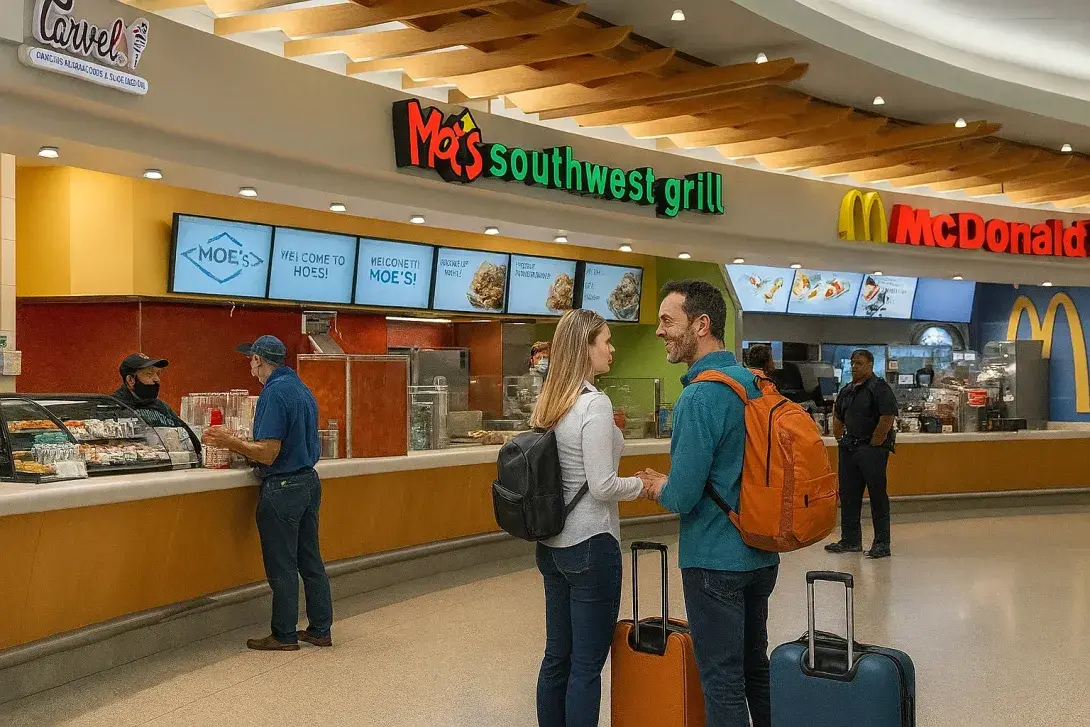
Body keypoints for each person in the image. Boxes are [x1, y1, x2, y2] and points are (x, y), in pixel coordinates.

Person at [639, 280, 780, 727]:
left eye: (668, 321)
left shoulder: (699, 395)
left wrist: (653, 485)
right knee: (755, 668)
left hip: (714, 560)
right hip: (760, 551)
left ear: (701, 325)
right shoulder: (755, 384)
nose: (660, 331)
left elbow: (682, 496)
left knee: (720, 681)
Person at [530, 310, 649, 727]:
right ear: (585, 347)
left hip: (552, 545)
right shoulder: (594, 404)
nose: (612, 349)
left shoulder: (551, 400)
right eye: (606, 341)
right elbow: (601, 486)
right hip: (591, 545)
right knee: (585, 667)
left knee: (556, 657)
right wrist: (642, 485)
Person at [202, 335, 334, 651]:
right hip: (308, 482)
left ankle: (284, 634)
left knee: (283, 566)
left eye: (251, 359)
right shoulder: (302, 389)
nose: (250, 364)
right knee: (311, 562)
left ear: (259, 359)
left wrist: (228, 441)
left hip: (283, 488)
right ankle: (320, 629)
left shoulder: (274, 394)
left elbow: (269, 453)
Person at [825, 349, 898, 559]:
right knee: (848, 495)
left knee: (877, 497)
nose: (855, 367)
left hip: (871, 450)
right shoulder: (847, 390)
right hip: (849, 448)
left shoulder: (879, 388)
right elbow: (837, 414)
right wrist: (840, 437)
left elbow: (887, 416)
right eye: (853, 363)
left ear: (870, 365)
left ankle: (882, 543)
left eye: (859, 363)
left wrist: (875, 442)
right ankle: (850, 540)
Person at [112, 353, 200, 453]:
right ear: (131, 380)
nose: (157, 379)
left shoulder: (162, 407)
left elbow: (192, 440)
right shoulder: (114, 407)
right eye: (149, 374)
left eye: (158, 374)